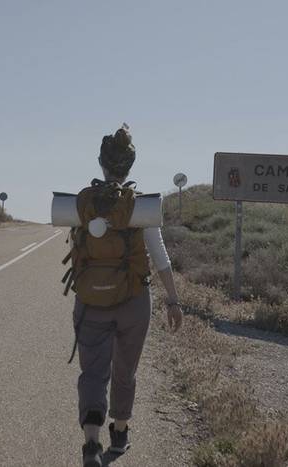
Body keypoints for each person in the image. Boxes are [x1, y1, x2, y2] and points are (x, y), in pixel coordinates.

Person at [67, 125, 182, 467]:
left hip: (90, 300)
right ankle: (118, 434)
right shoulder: (140, 206)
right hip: (133, 301)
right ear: (129, 165)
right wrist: (173, 301)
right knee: (125, 370)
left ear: (102, 163)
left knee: (93, 371)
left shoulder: (84, 202)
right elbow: (158, 255)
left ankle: (91, 441)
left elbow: (76, 248)